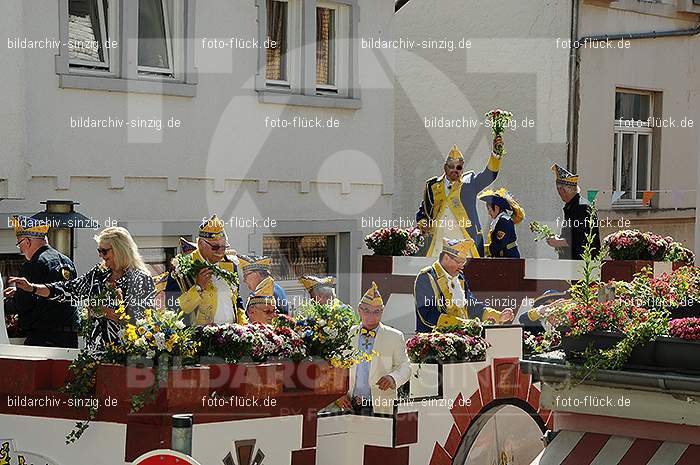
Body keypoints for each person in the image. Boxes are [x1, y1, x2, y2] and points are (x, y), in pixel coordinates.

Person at [8, 226, 155, 351]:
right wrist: (33, 288)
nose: (101, 256)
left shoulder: (140, 279)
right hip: (95, 350)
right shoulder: (99, 274)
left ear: (120, 250)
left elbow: (142, 321)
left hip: (125, 352)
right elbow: (69, 289)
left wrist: (103, 311)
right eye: (99, 251)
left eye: (104, 251)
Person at [416, 135, 506, 257]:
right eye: (451, 166)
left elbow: (488, 175)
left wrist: (496, 153)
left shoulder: (470, 183)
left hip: (465, 239)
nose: (455, 170)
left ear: (462, 169)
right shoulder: (432, 185)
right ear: (445, 167)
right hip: (438, 241)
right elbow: (423, 211)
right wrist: (423, 223)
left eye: (458, 167)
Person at [2, 216, 78, 348]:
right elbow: (55, 292)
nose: (20, 250)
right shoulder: (67, 261)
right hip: (70, 338)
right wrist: (18, 292)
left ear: (27, 241)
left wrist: (2, 306)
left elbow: (23, 304)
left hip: (44, 338)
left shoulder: (34, 264)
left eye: (19, 244)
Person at [336, 282, 411, 416]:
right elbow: (336, 368)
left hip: (381, 403)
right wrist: (338, 395)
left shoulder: (394, 336)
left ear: (382, 312)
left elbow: (405, 366)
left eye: (377, 312)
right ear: (359, 310)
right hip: (350, 403)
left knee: (379, 437)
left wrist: (393, 378)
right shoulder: (347, 334)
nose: (371, 316)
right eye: (367, 311)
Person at [414, 238, 514, 333]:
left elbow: (472, 306)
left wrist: (498, 316)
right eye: (459, 262)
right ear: (446, 258)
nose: (462, 266)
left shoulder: (460, 277)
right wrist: (463, 324)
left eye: (463, 262)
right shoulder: (427, 277)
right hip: (433, 341)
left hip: (462, 338)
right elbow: (427, 315)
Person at [165, 215, 247, 326]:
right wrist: (198, 287)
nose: (221, 251)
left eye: (224, 247)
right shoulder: (181, 267)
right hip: (200, 339)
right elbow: (173, 308)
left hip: (231, 335)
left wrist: (243, 325)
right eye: (215, 247)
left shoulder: (230, 264)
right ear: (201, 244)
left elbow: (237, 300)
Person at [546, 164, 601, 260]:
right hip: (573, 262)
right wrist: (558, 238)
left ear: (563, 190)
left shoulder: (582, 207)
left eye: (559, 192)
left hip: (582, 263)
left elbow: (580, 239)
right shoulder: (573, 206)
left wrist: (558, 242)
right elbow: (572, 234)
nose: (560, 195)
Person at [478, 188, 524, 258]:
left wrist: (482, 250)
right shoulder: (500, 220)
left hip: (508, 258)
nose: (489, 213)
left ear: (496, 208)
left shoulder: (504, 221)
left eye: (490, 210)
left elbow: (499, 243)